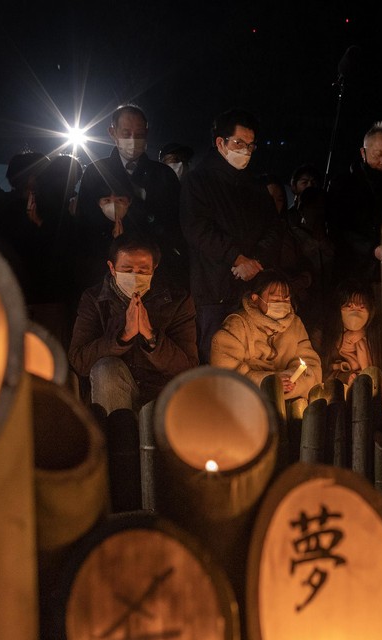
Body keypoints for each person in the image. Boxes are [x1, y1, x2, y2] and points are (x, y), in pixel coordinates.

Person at [179, 107, 286, 362]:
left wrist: (256, 261)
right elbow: (197, 229)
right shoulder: (198, 181)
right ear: (220, 142)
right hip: (214, 289)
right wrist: (236, 258)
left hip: (253, 286)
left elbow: (274, 227)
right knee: (218, 361)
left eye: (251, 145)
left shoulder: (255, 185)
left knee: (254, 360)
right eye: (239, 143)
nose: (245, 151)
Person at [68, 235, 198, 412]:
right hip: (111, 390)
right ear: (112, 268)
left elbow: (188, 367)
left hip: (159, 391)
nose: (135, 276)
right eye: (127, 269)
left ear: (154, 268)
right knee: (106, 368)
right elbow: (79, 360)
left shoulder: (177, 300)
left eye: (143, 271)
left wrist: (151, 336)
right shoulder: (94, 299)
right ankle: (116, 434)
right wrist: (123, 337)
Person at [78, 104, 187, 290]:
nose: (132, 139)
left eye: (138, 134)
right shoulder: (95, 172)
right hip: (107, 267)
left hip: (154, 269)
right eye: (126, 133)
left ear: (147, 132)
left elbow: (176, 222)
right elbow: (83, 224)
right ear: (112, 132)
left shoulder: (163, 174)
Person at [210, 269, 321, 400]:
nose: (282, 303)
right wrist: (268, 382)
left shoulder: (295, 325)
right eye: (275, 299)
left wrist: (293, 380)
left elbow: (311, 366)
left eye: (286, 298)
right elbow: (225, 373)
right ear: (256, 299)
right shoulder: (237, 325)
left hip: (290, 404)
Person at [326, 121, 382, 285]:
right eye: (378, 155)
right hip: (351, 270)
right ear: (363, 152)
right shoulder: (342, 184)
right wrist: (372, 249)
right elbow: (337, 228)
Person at [318, 283, 381, 389]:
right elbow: (319, 373)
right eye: (349, 306)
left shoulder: (377, 338)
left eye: (362, 306)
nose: (355, 311)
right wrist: (344, 377)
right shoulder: (324, 336)